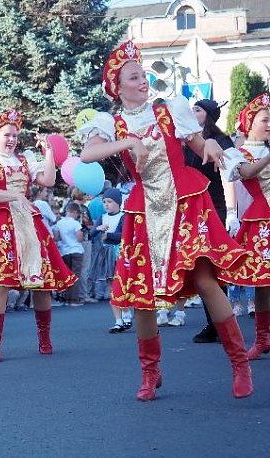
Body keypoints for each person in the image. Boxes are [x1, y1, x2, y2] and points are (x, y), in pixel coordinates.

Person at [79, 41, 252, 400]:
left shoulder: (169, 109)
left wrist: (213, 147)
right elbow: (87, 153)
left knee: (205, 279)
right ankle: (150, 371)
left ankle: (239, 363)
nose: (143, 80)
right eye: (134, 77)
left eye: (143, 75)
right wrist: (128, 141)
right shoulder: (110, 123)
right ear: (118, 87)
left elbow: (198, 143)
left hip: (186, 201)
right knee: (142, 296)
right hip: (144, 210)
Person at [0, 109, 76, 363]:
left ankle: (45, 338)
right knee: (0, 284)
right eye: (7, 134)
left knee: (41, 282)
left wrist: (48, 151)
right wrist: (15, 196)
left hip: (27, 222)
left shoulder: (25, 160)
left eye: (15, 135)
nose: (12, 139)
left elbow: (48, 180)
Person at [220, 93, 270, 360]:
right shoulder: (236, 153)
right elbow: (247, 173)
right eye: (265, 119)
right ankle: (262, 338)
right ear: (249, 123)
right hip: (262, 218)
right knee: (263, 284)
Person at [187, 98, 239, 344]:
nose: (191, 113)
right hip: (192, 209)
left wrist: (231, 211)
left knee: (214, 267)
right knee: (201, 267)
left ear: (208, 115)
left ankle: (223, 324)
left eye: (196, 110)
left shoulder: (222, 141)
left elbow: (231, 175)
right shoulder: (187, 141)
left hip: (215, 207)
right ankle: (214, 324)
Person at [88, 188, 128, 332]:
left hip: (120, 253)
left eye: (110, 202)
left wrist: (109, 235)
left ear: (118, 202)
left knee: (123, 284)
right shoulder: (103, 217)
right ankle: (119, 320)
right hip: (106, 254)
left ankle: (126, 313)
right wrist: (98, 228)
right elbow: (91, 234)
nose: (106, 204)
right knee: (112, 286)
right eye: (104, 202)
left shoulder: (124, 216)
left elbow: (125, 234)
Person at [53, 203, 85, 306]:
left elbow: (57, 237)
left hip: (64, 251)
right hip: (76, 250)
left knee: (67, 275)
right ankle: (74, 300)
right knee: (76, 275)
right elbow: (80, 238)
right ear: (75, 212)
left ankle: (66, 299)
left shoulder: (59, 223)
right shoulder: (75, 224)